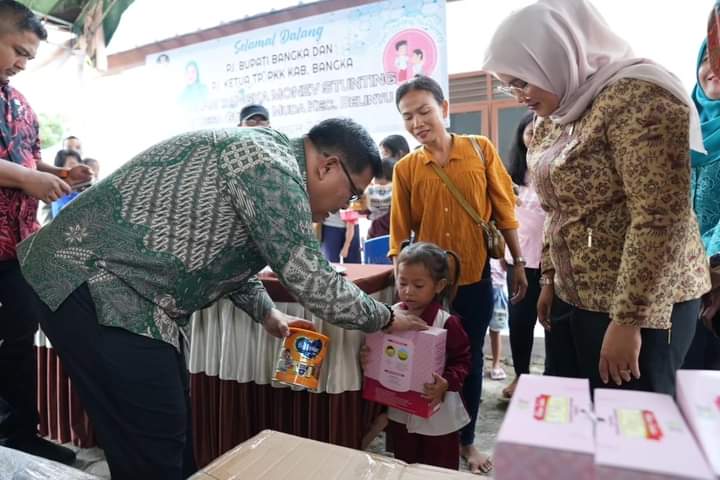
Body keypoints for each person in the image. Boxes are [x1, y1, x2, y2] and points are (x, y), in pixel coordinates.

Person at [16, 119, 427, 479]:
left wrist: (269, 316)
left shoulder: (268, 158)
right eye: (352, 193)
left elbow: (224, 256)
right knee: (153, 435)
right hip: (92, 281)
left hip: (122, 292)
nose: (346, 205)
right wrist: (385, 317)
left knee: (157, 431)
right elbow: (311, 278)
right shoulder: (272, 168)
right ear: (328, 165)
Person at [482, 0, 710, 395]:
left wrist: (628, 321)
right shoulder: (555, 115)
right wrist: (551, 280)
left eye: (522, 81)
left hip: (644, 308)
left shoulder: (639, 97)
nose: (518, 95)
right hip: (579, 297)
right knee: (581, 419)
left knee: (633, 426)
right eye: (509, 84)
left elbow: (660, 217)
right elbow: (557, 208)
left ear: (556, 55)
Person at [390, 75, 527, 474]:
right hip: (432, 291)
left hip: (475, 282)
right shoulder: (406, 168)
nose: (417, 123)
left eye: (424, 111)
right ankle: (428, 436)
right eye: (408, 117)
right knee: (430, 364)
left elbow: (504, 211)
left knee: (467, 363)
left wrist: (517, 262)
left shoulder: (480, 151)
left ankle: (466, 442)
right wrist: (401, 290)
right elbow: (400, 236)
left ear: (444, 109)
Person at [0, 0, 91, 465]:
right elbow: (19, 173)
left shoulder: (20, 105)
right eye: (18, 51)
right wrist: (25, 178)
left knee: (18, 340)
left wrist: (58, 174)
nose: (23, 63)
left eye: (30, 57)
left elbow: (27, 163)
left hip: (17, 247)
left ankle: (20, 434)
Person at [361, 242, 470, 470]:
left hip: (438, 418)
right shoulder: (390, 315)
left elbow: (463, 360)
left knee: (439, 470)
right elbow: (379, 350)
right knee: (405, 465)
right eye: (402, 283)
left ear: (439, 286)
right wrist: (369, 358)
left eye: (418, 285)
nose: (408, 291)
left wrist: (447, 382)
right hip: (401, 410)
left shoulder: (446, 322)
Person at [501, 112, 550, 399]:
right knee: (519, 323)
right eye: (531, 132)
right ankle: (521, 376)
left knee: (551, 322)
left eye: (542, 131)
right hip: (518, 262)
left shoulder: (557, 169)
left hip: (552, 264)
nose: (535, 137)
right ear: (522, 136)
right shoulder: (512, 175)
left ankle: (551, 377)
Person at [683, 39, 720, 370]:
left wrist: (712, 259)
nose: (714, 69)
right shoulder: (681, 124)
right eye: (708, 59)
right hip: (681, 282)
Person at [488, 259, 508, 381]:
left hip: (497, 289)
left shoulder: (500, 246)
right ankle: (476, 363)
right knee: (476, 331)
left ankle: (496, 364)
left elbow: (507, 265)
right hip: (480, 287)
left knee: (495, 330)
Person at [365, 157, 395, 239]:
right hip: (396, 237)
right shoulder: (400, 190)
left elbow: (362, 210)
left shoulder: (375, 191)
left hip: (378, 236)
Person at [51, 149, 83, 218]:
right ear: (59, 171)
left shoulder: (82, 190)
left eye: (79, 165)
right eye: (72, 166)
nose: (78, 170)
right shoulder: (59, 197)